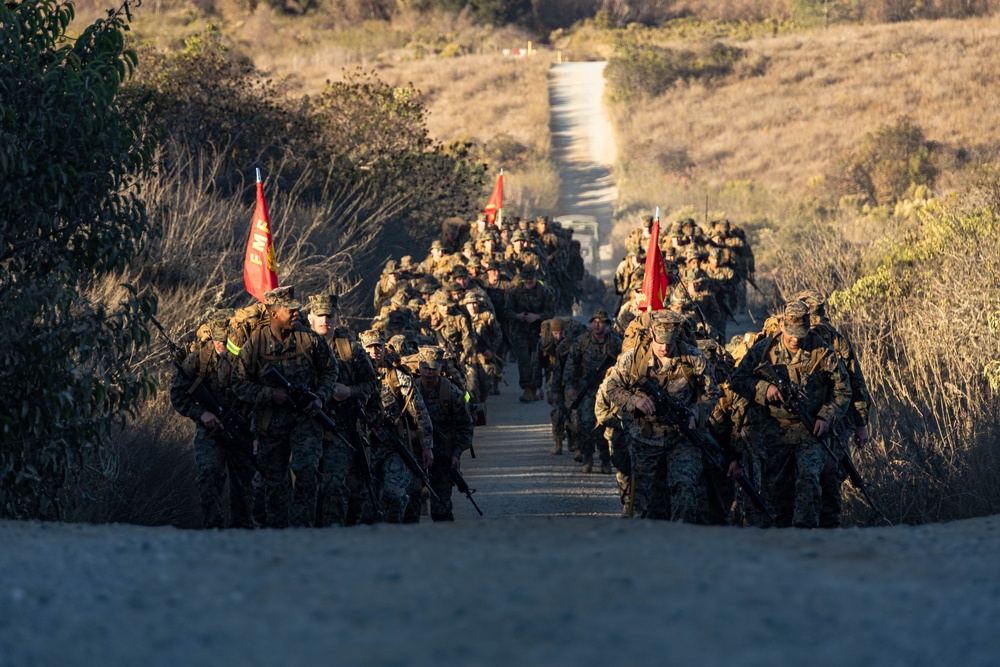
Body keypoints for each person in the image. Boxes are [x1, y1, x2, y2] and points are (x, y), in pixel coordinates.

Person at [730, 301, 851, 528]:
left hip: (809, 430)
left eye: (801, 334)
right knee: (776, 490)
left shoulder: (821, 351)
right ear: (783, 326)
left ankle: (805, 532)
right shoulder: (764, 350)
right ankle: (780, 539)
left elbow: (843, 390)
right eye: (791, 333)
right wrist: (765, 390)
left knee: (809, 478)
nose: (796, 339)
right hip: (774, 431)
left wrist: (826, 416)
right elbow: (737, 380)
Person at [230, 286, 339, 528]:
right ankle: (278, 534)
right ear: (273, 313)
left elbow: (330, 371)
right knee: (274, 481)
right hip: (271, 423)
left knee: (307, 471)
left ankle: (302, 532)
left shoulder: (309, 339)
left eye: (296, 309)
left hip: (305, 420)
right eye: (289, 310)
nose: (295, 313)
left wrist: (320, 397)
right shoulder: (255, 345)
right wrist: (270, 394)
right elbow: (238, 383)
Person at [604, 311, 720, 522]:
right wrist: (634, 402)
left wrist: (695, 413)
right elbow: (611, 388)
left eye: (670, 342)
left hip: (682, 437)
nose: (665, 348)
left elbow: (711, 393)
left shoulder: (694, 357)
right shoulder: (633, 358)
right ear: (651, 333)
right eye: (660, 343)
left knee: (685, 488)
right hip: (644, 438)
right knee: (647, 501)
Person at [170, 311, 255, 529]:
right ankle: (214, 531)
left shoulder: (247, 357)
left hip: (241, 430)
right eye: (217, 339)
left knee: (245, 489)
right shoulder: (200, 357)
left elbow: (259, 397)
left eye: (225, 340)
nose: (220, 344)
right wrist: (201, 413)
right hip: (211, 431)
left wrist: (256, 432)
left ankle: (242, 537)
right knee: (209, 476)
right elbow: (178, 394)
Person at [307, 293, 378, 527]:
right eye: (320, 315)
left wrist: (349, 391)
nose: (325, 320)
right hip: (305, 427)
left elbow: (371, 384)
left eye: (330, 316)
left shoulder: (351, 350)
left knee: (336, 484)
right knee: (306, 486)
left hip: (341, 429)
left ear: (338, 319)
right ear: (311, 318)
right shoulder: (298, 347)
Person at [359, 329, 434, 524]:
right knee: (366, 500)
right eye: (370, 347)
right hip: (365, 447)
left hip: (394, 447)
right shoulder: (354, 374)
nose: (375, 351)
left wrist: (427, 446)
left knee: (395, 495)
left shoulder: (398, 377)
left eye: (378, 346)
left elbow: (420, 412)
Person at [415, 346, 474, 521]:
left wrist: (456, 454)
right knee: (410, 500)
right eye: (425, 368)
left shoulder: (451, 392)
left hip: (443, 453)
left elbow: (465, 425)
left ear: (440, 368)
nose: (428, 373)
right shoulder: (411, 389)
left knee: (441, 506)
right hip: (416, 450)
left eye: (433, 368)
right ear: (419, 367)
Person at [564, 309, 623, 474]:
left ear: (607, 324)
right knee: (586, 424)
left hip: (609, 391)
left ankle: (605, 460)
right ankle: (587, 458)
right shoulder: (582, 341)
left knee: (606, 425)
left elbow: (625, 364)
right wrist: (569, 386)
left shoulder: (615, 343)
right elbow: (571, 365)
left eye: (601, 322)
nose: (597, 325)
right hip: (588, 390)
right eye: (594, 322)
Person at [505, 266, 555, 402]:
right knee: (523, 360)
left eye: (531, 279)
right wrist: (517, 316)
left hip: (538, 332)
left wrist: (538, 316)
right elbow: (507, 310)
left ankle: (536, 388)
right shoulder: (515, 292)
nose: (528, 282)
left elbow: (551, 312)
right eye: (526, 279)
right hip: (520, 331)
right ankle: (527, 388)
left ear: (535, 278)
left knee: (536, 361)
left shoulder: (545, 292)